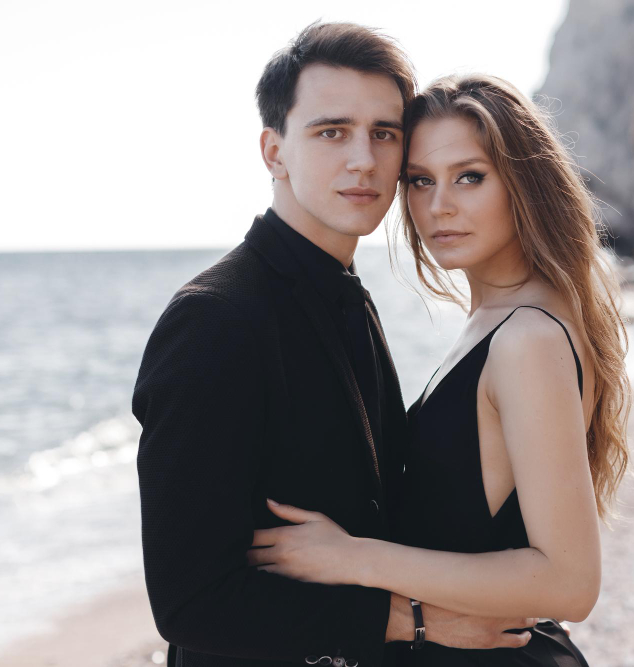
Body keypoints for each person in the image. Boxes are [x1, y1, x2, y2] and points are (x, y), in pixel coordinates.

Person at [133, 24, 536, 667]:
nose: (364, 160)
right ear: (274, 151)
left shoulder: (346, 295)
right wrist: (416, 621)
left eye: (384, 133)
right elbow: (189, 602)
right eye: (331, 132)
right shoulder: (214, 320)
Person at [245, 75, 633, 666]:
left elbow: (570, 584)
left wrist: (353, 557)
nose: (438, 205)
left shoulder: (526, 337)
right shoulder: (500, 317)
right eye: (420, 181)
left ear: (524, 183)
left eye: (469, 177)